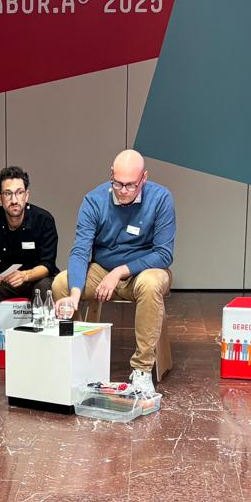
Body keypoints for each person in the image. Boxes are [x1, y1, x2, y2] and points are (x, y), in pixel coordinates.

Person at [53, 150, 175, 394]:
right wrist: (75, 294)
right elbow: (80, 251)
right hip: (102, 269)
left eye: (130, 185)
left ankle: (141, 369)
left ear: (144, 178)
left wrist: (119, 271)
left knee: (151, 285)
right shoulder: (94, 200)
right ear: (111, 175)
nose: (123, 191)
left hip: (144, 270)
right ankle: (75, 358)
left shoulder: (161, 199)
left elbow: (164, 254)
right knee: (60, 284)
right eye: (117, 184)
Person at [0, 166, 58, 382]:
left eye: (19, 192)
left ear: (27, 195)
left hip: (35, 278)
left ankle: (44, 349)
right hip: (3, 280)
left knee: (45, 288)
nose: (14, 199)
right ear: (0, 197)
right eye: (8, 194)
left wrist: (26, 276)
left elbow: (48, 263)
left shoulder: (44, 220)